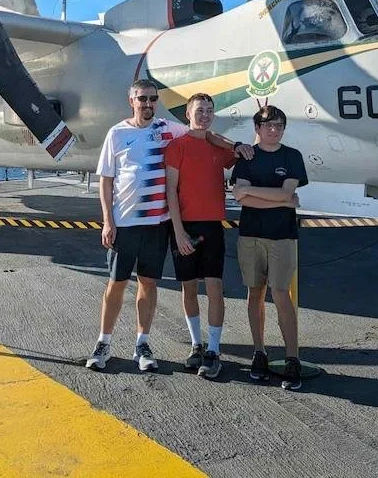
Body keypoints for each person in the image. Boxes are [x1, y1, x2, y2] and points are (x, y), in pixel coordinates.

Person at [85, 80, 248, 372]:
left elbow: (205, 135)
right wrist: (108, 221)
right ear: (131, 100)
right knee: (116, 285)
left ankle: (142, 343)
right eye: (142, 99)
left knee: (148, 284)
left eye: (152, 99)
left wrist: (234, 145)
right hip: (125, 224)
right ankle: (103, 342)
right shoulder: (117, 133)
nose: (148, 104)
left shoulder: (168, 129)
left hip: (157, 225)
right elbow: (106, 180)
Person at [164, 93, 252, 379]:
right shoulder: (177, 147)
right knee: (189, 289)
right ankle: (196, 345)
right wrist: (178, 233)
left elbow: (234, 153)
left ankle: (213, 350)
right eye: (199, 110)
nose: (204, 115)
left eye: (209, 110)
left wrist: (240, 146)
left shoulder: (219, 146)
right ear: (187, 113)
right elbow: (171, 193)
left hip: (213, 227)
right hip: (184, 227)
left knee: (215, 289)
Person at [231, 105, 308, 390]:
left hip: (282, 236)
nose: (273, 130)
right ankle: (259, 352)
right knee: (255, 293)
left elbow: (286, 192)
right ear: (257, 129)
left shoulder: (292, 156)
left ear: (283, 129)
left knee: (281, 293)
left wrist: (252, 190)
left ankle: (292, 357)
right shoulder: (247, 158)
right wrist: (281, 200)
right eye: (267, 125)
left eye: (278, 125)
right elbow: (243, 199)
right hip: (251, 235)